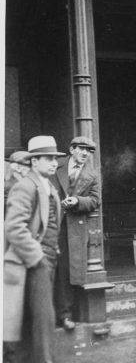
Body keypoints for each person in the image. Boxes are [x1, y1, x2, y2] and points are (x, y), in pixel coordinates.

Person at [4, 136, 66, 363]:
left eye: (55, 158)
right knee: (42, 320)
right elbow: (13, 227)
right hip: (33, 262)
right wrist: (37, 257)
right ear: (34, 161)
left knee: (37, 321)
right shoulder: (26, 186)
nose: (53, 163)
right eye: (48, 158)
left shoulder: (46, 185)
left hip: (48, 259)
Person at [50, 136, 100, 332]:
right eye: (81, 149)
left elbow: (95, 200)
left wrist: (78, 201)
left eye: (88, 150)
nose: (85, 153)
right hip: (52, 223)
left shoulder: (92, 174)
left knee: (68, 270)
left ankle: (66, 314)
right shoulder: (56, 165)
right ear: (71, 149)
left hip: (74, 228)